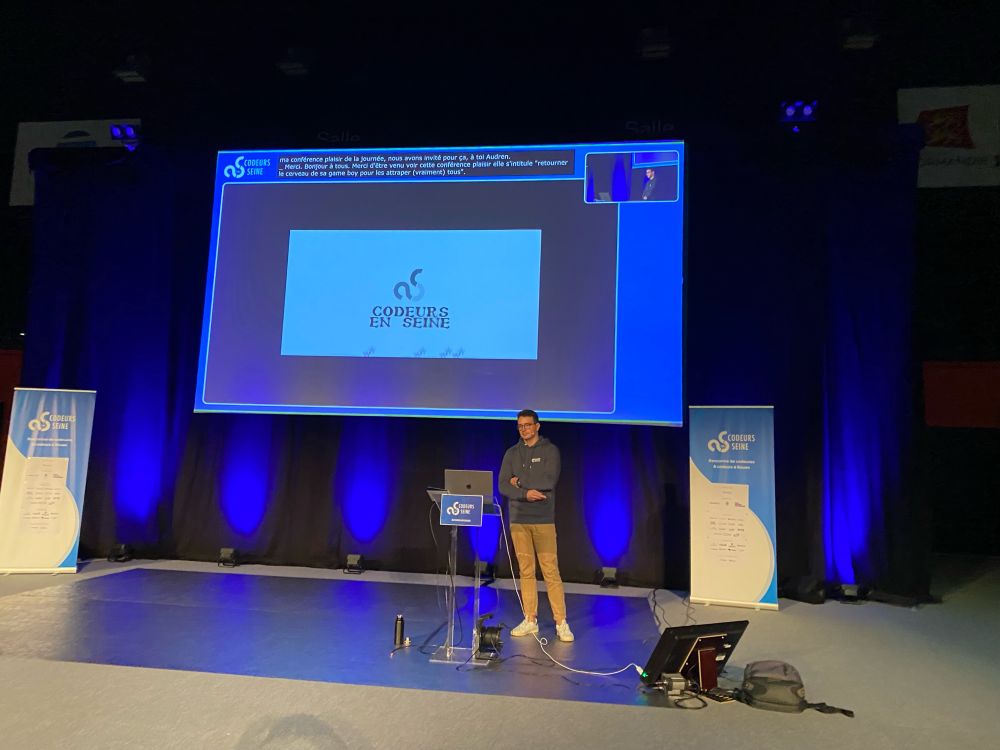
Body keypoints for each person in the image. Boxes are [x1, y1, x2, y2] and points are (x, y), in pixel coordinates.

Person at [498, 409, 574, 642]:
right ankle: (530, 619)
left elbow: (547, 481)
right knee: (526, 571)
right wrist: (524, 493)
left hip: (543, 520)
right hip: (518, 520)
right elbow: (502, 485)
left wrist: (519, 481)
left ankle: (561, 622)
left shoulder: (550, 451)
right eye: (520, 426)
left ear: (537, 426)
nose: (524, 429)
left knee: (550, 570)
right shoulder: (512, 453)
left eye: (528, 425)